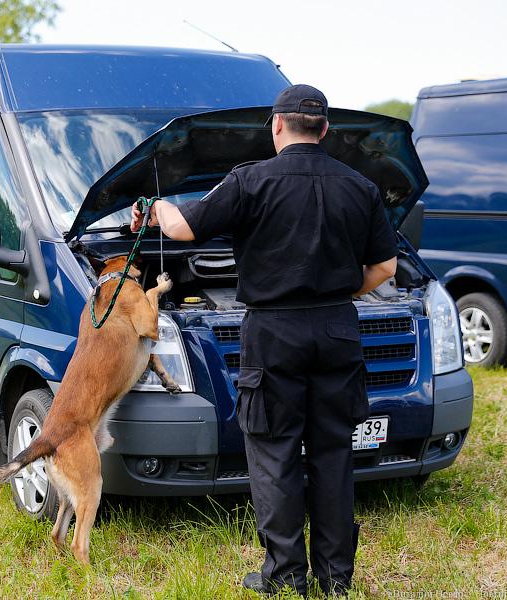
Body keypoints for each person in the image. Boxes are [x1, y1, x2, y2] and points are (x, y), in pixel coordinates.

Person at [130, 84, 398, 596]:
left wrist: (160, 206)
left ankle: (285, 575)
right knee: (333, 453)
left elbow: (184, 229)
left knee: (274, 454)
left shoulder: (249, 181)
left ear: (277, 126)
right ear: (324, 129)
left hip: (274, 334)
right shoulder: (359, 186)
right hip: (338, 329)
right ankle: (336, 579)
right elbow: (384, 266)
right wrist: (337, 292)